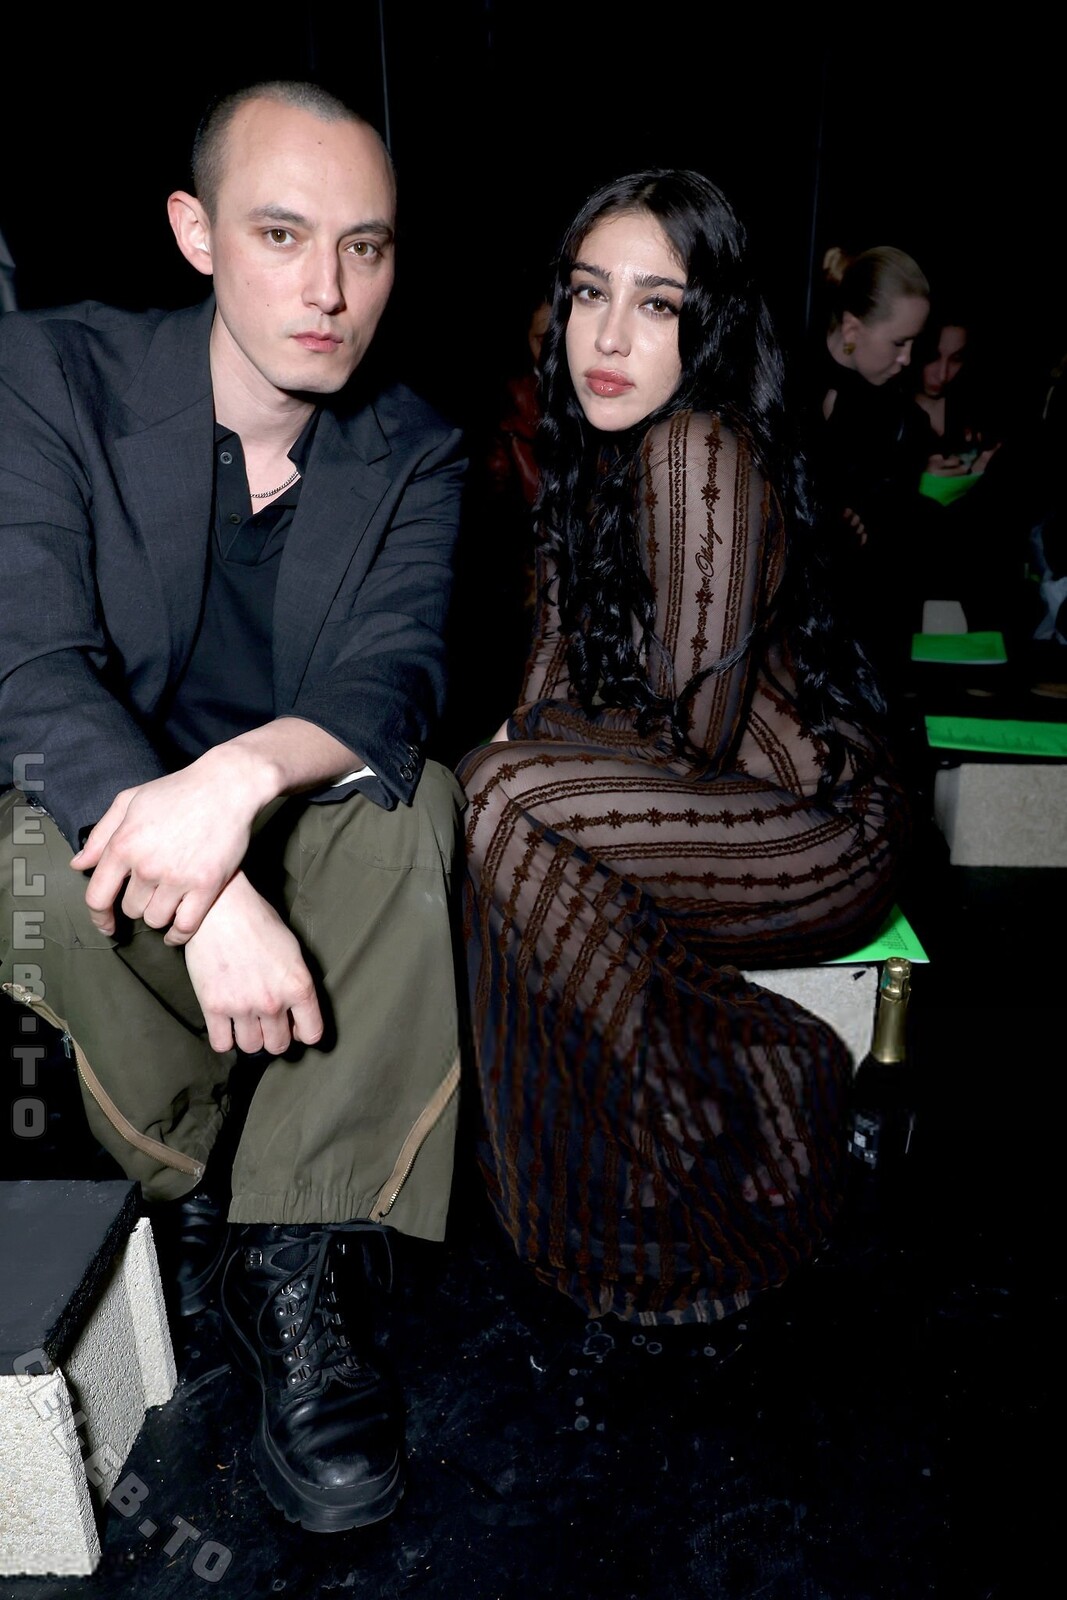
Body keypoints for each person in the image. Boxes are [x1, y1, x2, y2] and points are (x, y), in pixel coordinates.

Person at [0, 81, 467, 1533]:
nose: (329, 290)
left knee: (415, 804)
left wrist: (238, 782)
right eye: (281, 234)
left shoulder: (414, 446)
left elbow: (393, 675)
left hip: (295, 844)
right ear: (194, 233)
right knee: (19, 842)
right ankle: (196, 1156)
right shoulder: (50, 373)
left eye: (365, 247)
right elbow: (27, 662)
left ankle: (291, 1245)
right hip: (116, 850)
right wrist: (205, 894)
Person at [455, 171, 911, 1328]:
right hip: (707, 812)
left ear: (706, 325)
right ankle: (704, 1102)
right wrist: (501, 757)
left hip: (809, 829)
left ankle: (754, 1082)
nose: (606, 336)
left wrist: (507, 765)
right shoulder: (590, 460)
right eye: (587, 293)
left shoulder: (696, 446)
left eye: (654, 304)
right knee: (490, 799)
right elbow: (545, 692)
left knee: (496, 798)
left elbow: (689, 736)